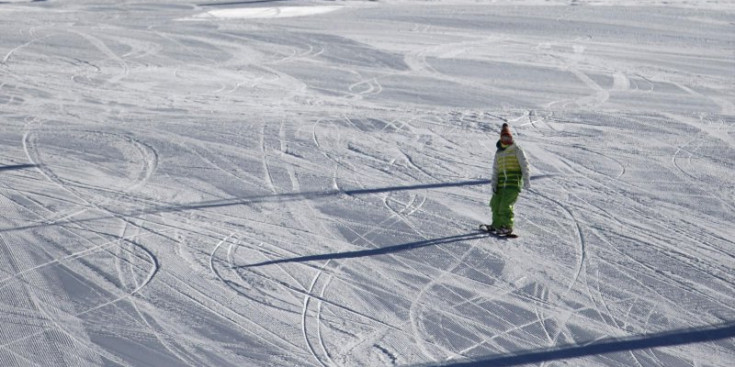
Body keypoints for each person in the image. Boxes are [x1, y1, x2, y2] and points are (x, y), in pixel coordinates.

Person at [488, 123, 530, 235]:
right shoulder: (498, 153)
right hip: (500, 184)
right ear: (500, 137)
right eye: (504, 136)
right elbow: (495, 170)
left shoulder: (516, 149)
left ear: (511, 137)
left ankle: (507, 226)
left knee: (505, 205)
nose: (506, 139)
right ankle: (496, 224)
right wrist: (494, 184)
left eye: (508, 136)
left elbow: (524, 165)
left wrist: (526, 179)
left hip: (512, 184)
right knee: (495, 204)